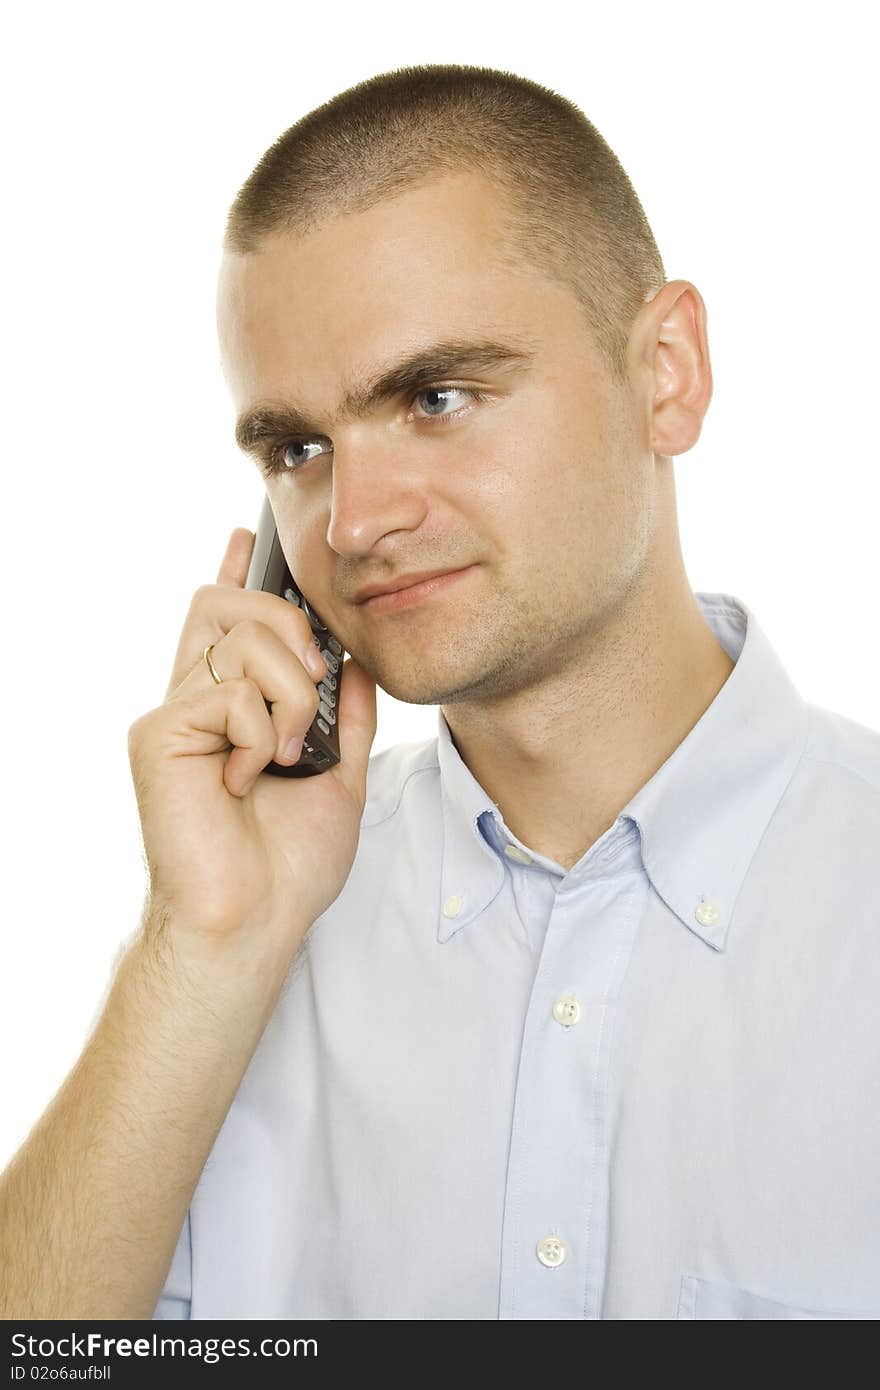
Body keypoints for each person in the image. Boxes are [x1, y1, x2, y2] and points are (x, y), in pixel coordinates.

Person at [2, 63, 879, 1324]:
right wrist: (203, 950)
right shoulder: (245, 937)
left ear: (668, 371)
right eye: (296, 448)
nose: (351, 523)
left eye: (436, 398)